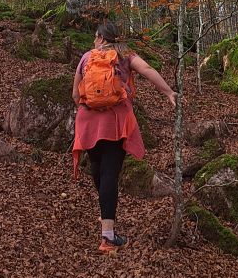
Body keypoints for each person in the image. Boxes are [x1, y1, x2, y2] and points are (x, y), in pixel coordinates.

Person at [72, 19, 177, 253]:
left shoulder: (86, 57)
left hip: (87, 121)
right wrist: (168, 92)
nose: (93, 40)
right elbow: (147, 70)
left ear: (101, 37)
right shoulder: (125, 54)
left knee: (98, 169)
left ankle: (105, 213)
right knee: (109, 173)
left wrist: (91, 105)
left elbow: (75, 95)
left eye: (95, 37)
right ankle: (108, 236)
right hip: (115, 122)